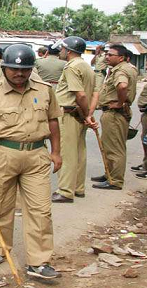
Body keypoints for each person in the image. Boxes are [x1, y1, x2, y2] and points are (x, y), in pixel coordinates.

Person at [0, 44, 62, 279]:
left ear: (31, 69)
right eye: (15, 70)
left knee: (41, 210)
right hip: (2, 155)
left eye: (25, 70)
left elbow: (54, 122)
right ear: (4, 68)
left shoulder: (45, 91)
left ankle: (39, 262)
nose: (20, 74)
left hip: (37, 155)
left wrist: (56, 152)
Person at [51, 36, 96, 203]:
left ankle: (65, 191)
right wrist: (87, 115)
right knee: (79, 151)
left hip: (70, 113)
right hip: (79, 114)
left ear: (68, 51)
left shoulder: (72, 67)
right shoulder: (86, 66)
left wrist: (85, 114)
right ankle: (78, 187)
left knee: (67, 153)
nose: (60, 52)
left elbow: (80, 94)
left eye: (62, 49)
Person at [91, 44, 138, 190]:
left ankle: (115, 180)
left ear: (121, 57)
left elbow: (122, 86)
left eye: (110, 55)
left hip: (115, 114)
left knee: (114, 148)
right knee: (110, 145)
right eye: (106, 54)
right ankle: (110, 174)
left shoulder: (121, 70)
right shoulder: (128, 67)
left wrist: (119, 103)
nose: (107, 57)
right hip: (114, 113)